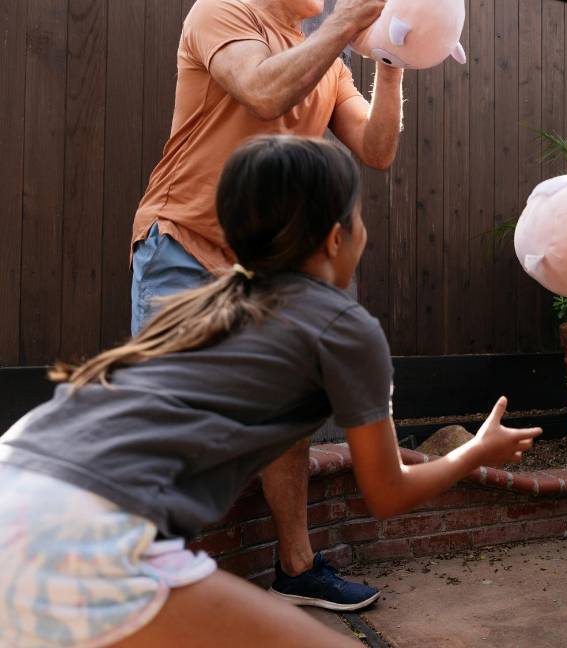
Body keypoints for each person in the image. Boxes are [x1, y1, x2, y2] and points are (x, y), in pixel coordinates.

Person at [0, 136, 540, 647]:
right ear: (336, 238)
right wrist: (476, 452)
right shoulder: (345, 328)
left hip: (17, 475)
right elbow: (387, 493)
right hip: (84, 526)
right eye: (358, 216)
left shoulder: (207, 303)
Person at [129, 0, 404, 610]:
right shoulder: (223, 11)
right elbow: (261, 90)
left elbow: (377, 148)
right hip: (186, 242)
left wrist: (391, 60)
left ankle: (296, 569)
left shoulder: (327, 63)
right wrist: (345, 25)